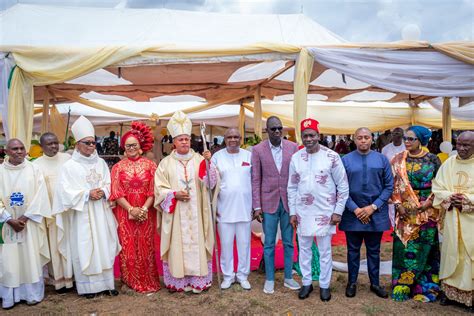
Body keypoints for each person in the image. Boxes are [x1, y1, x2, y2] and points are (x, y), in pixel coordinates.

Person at [53, 116, 120, 299]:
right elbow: (64, 192)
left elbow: (109, 183)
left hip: (101, 211)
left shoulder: (100, 163)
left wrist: (104, 192)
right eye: (88, 143)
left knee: (104, 245)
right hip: (81, 214)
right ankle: (88, 287)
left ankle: (107, 284)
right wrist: (86, 194)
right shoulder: (69, 166)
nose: (92, 146)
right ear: (77, 144)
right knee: (85, 247)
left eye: (93, 142)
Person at [154, 111, 217, 294]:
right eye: (180, 139)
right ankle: (178, 282)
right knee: (178, 245)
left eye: (186, 139)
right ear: (173, 142)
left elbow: (211, 184)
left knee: (197, 241)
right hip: (176, 216)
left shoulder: (199, 160)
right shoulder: (165, 164)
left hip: (197, 211)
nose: (184, 142)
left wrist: (209, 165)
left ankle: (198, 281)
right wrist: (173, 194)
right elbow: (159, 189)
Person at [288, 118, 349, 302]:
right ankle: (306, 283)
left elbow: (343, 186)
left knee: (325, 251)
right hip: (303, 213)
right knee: (304, 250)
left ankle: (324, 285)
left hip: (325, 213)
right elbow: (291, 187)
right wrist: (292, 212)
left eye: (312, 135)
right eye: (305, 135)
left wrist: (338, 211)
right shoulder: (296, 157)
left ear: (318, 135)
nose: (308, 139)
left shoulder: (332, 156)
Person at [340, 128, 393, 299]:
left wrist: (373, 207)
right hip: (352, 211)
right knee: (352, 250)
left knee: (374, 250)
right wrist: (355, 209)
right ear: (354, 140)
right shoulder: (345, 160)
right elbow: (340, 188)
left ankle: (375, 283)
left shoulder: (382, 159)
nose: (363, 141)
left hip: (375, 212)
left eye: (366, 137)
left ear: (372, 139)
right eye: (360, 138)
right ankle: (352, 282)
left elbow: (388, 187)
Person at [390, 125, 441, 302]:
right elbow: (392, 184)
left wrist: (429, 202)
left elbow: (440, 184)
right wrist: (398, 205)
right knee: (404, 248)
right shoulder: (398, 159)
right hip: (405, 212)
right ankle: (403, 284)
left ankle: (425, 287)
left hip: (427, 211)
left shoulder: (432, 159)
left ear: (422, 141)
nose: (407, 142)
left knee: (425, 247)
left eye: (411, 139)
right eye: (405, 138)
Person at [0, 139, 51, 309]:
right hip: (7, 225)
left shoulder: (34, 169)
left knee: (30, 258)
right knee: (9, 260)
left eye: (22, 148)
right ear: (6, 151)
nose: (19, 151)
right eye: (15, 149)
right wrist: (8, 218)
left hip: (30, 223)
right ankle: (9, 298)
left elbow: (41, 195)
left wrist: (25, 217)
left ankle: (31, 295)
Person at [251, 116, 300, 294]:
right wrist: (257, 206)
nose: (277, 131)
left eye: (280, 128)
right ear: (267, 130)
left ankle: (288, 277)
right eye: (273, 129)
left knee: (289, 242)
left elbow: (297, 177)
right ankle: (270, 279)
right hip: (268, 202)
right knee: (269, 243)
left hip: (289, 202)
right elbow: (255, 179)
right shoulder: (257, 150)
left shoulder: (293, 147)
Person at [110, 122, 160, 293]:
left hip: (147, 211)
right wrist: (131, 209)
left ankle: (149, 281)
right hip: (125, 212)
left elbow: (154, 190)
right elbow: (116, 192)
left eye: (134, 145)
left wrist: (144, 209)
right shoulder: (117, 167)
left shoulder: (151, 165)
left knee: (146, 245)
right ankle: (129, 282)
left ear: (140, 147)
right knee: (128, 245)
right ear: (124, 148)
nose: (131, 148)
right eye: (128, 145)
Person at [432, 131, 474, 309]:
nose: (462, 148)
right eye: (459, 144)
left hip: (470, 220)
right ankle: (449, 293)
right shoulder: (448, 163)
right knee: (451, 252)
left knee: (468, 255)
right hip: (452, 217)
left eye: (467, 145)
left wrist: (467, 200)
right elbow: (438, 186)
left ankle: (470, 297)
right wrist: (450, 197)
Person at [211, 128, 252, 290]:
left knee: (244, 245)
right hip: (224, 210)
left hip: (245, 209)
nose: (233, 139)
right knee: (226, 245)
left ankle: (242, 276)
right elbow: (211, 183)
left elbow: (255, 181)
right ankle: (228, 276)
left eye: (236, 137)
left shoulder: (249, 156)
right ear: (225, 139)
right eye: (229, 137)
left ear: (241, 138)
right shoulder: (216, 157)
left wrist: (256, 206)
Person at [33, 132, 72, 292]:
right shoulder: (36, 165)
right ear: (41, 146)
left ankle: (72, 277)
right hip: (50, 214)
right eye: (49, 144)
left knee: (69, 244)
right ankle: (59, 281)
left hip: (67, 212)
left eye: (56, 143)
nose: (54, 146)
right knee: (55, 246)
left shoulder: (67, 160)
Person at [382, 127, 406, 226]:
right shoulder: (386, 149)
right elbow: (383, 164)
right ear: (391, 135)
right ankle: (393, 225)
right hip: (390, 178)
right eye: (394, 133)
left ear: (402, 135)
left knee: (404, 200)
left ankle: (404, 222)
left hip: (404, 179)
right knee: (392, 202)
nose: (396, 135)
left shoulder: (406, 147)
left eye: (399, 133)